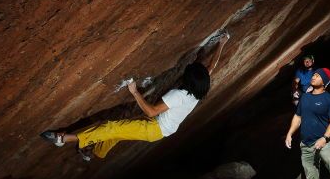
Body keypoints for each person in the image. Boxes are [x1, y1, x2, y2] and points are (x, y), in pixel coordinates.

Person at [41, 32, 230, 160]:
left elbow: (150, 111)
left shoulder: (178, 94)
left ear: (187, 80)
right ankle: (94, 152)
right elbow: (210, 67)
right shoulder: (199, 90)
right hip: (161, 128)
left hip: (154, 126)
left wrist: (134, 91)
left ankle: (64, 139)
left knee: (110, 127)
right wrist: (222, 44)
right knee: (118, 133)